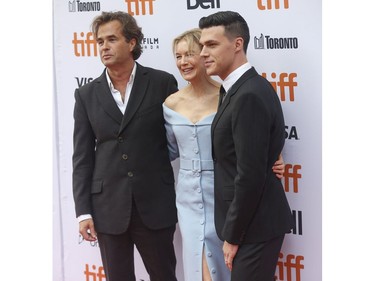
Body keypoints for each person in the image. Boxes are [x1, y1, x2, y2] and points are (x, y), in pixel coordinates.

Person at [163, 28, 286, 281]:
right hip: (187, 196)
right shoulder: (170, 103)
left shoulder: (228, 94)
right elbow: (167, 150)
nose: (184, 62)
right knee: (198, 267)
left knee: (231, 264)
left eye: (191, 54)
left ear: (205, 56)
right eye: (178, 56)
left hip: (223, 192)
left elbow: (253, 134)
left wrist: (274, 157)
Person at [72, 11, 179, 281]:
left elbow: (186, 135)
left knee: (164, 276)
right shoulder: (86, 95)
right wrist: (83, 212)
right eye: (99, 41)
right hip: (107, 208)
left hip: (154, 204)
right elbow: (82, 157)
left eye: (111, 39)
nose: (104, 47)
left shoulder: (162, 83)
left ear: (132, 42)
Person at [198, 11, 294, 281]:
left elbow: (249, 175)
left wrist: (233, 236)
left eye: (212, 44)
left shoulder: (248, 94)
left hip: (255, 226)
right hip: (252, 224)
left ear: (237, 44)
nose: (203, 52)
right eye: (202, 45)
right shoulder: (235, 89)